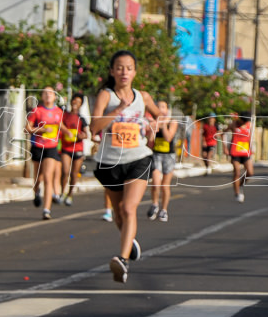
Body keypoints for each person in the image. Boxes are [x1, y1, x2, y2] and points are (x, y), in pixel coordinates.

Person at [91, 50, 159, 283]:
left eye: (129, 68)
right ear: (112, 71)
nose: (124, 72)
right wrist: (119, 109)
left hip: (138, 157)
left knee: (129, 209)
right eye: (119, 67)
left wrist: (153, 126)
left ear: (134, 72)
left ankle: (122, 260)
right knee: (119, 212)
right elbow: (93, 127)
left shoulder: (143, 97)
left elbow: (160, 116)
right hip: (109, 162)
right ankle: (128, 243)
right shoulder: (105, 96)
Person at [25, 87, 63, 220]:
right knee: (38, 177)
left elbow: (60, 125)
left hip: (51, 147)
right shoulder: (37, 111)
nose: (48, 95)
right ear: (42, 96)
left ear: (54, 97)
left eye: (51, 93)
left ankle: (46, 210)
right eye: (45, 93)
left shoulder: (58, 112)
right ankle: (36, 191)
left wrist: (68, 132)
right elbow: (27, 128)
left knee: (48, 177)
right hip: (38, 146)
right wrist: (41, 130)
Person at [147, 100, 179, 222]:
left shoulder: (172, 122)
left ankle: (164, 210)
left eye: (163, 107)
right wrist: (153, 129)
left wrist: (163, 125)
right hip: (156, 155)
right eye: (158, 107)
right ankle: (155, 204)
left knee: (165, 185)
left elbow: (168, 137)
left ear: (167, 110)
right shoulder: (153, 122)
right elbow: (150, 142)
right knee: (156, 183)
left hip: (169, 156)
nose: (160, 109)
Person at [59, 92, 90, 207]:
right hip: (66, 148)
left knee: (74, 173)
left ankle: (70, 194)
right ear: (71, 102)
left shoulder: (82, 119)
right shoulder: (64, 115)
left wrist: (82, 136)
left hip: (78, 149)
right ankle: (62, 192)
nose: (75, 104)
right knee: (65, 171)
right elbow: (59, 127)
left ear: (81, 105)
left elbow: (87, 134)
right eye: (74, 101)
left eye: (79, 102)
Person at [228, 113, 254, 202]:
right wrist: (225, 147)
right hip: (235, 152)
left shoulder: (248, 125)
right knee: (237, 172)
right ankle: (237, 193)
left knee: (250, 172)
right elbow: (222, 133)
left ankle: (240, 184)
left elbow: (249, 138)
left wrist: (251, 148)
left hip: (245, 152)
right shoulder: (234, 124)